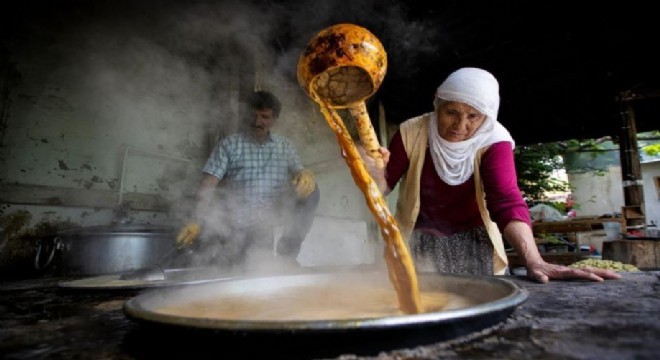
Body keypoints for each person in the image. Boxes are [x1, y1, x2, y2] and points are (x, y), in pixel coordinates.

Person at [361, 67, 620, 283]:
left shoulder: (494, 141)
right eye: (451, 112)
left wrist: (534, 260)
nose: (460, 126)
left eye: (473, 116)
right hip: (418, 241)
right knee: (420, 307)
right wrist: (373, 175)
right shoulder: (412, 131)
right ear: (437, 104)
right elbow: (383, 188)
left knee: (475, 307)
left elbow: (505, 200)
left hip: (474, 241)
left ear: (487, 116)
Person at [176, 90, 320, 270]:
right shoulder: (229, 145)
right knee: (242, 274)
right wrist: (195, 220)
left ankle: (287, 255)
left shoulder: (285, 146)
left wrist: (305, 172)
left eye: (264, 117)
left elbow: (301, 177)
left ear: (274, 119)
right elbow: (208, 185)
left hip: (267, 219)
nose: (257, 122)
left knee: (312, 190)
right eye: (253, 115)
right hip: (235, 224)